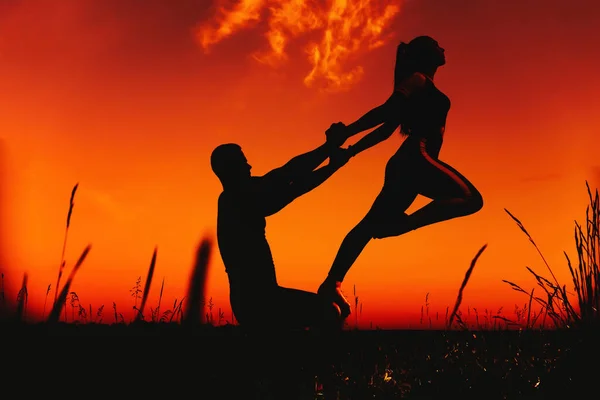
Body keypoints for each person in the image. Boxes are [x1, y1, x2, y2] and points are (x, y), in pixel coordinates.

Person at [317, 36, 484, 317]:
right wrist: (348, 133)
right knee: (470, 199)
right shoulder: (417, 80)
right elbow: (386, 113)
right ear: (427, 54)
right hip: (415, 158)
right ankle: (401, 226)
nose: (444, 48)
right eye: (437, 45)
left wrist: (352, 150)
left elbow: (386, 130)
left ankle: (331, 283)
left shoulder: (422, 85)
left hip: (406, 164)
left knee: (368, 226)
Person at [211, 138, 351, 332]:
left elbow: (288, 174)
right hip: (258, 303)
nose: (249, 166)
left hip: (259, 300)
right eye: (243, 162)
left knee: (323, 312)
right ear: (231, 169)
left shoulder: (235, 197)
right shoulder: (237, 199)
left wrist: (329, 153)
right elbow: (290, 184)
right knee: (329, 312)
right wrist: (331, 160)